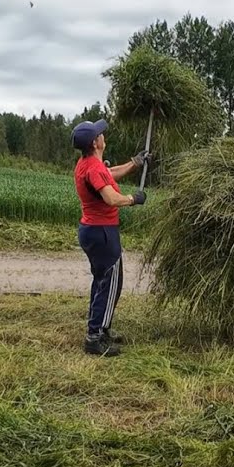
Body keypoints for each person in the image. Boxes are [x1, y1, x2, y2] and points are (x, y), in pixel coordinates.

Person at [71, 118, 149, 357]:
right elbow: (110, 197)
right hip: (102, 232)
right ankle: (94, 338)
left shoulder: (86, 164)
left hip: (92, 230)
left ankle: (100, 329)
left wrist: (134, 163)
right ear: (96, 142)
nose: (103, 135)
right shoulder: (93, 168)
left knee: (103, 282)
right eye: (100, 134)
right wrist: (133, 199)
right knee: (111, 284)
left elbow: (109, 174)